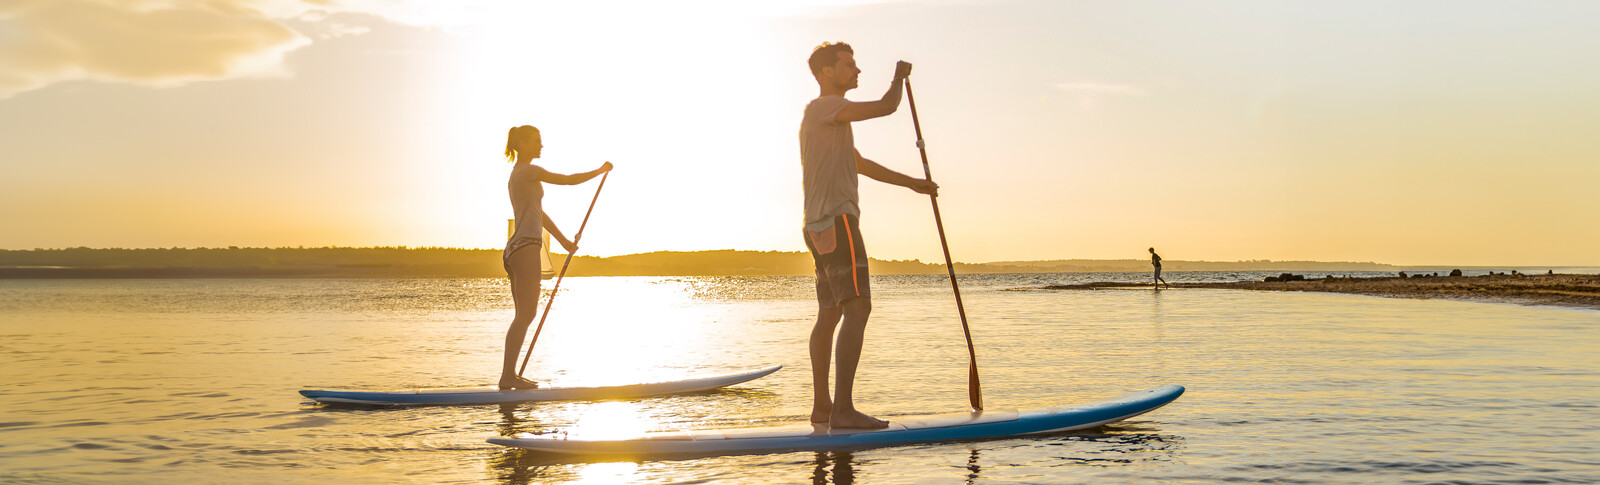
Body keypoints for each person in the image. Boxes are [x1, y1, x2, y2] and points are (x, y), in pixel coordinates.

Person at [800, 42, 938, 428]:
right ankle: (843, 411)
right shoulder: (825, 106)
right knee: (857, 309)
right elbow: (886, 106)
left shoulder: (829, 121)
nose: (856, 70)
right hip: (838, 222)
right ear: (826, 72)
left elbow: (860, 164)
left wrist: (912, 184)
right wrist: (898, 78)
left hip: (816, 226)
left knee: (829, 314)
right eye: (848, 65)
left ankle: (823, 408)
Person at [500, 125, 612, 389]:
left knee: (523, 315)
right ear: (523, 144)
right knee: (526, 315)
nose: (541, 146)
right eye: (537, 141)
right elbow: (568, 180)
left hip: (514, 249)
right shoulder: (529, 171)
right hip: (526, 248)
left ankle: (509, 376)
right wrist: (599, 171)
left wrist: (563, 242)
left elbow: (539, 214)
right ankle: (507, 377)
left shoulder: (519, 174)